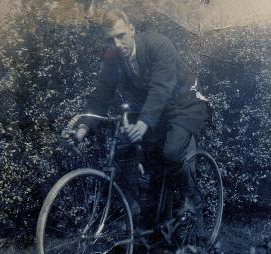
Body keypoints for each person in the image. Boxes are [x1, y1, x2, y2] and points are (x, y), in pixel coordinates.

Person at [67, 9, 208, 221]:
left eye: (121, 36)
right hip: (153, 112)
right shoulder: (113, 58)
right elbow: (101, 95)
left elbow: (160, 88)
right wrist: (81, 130)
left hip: (184, 106)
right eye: (110, 39)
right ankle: (137, 217)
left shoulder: (158, 45)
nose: (116, 44)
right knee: (127, 152)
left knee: (171, 153)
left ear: (131, 30)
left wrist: (142, 125)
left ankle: (191, 195)